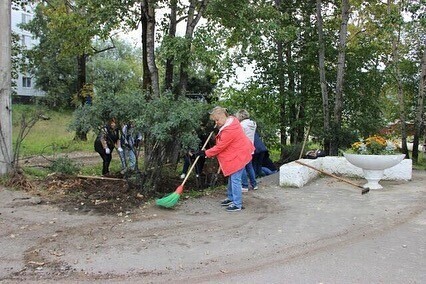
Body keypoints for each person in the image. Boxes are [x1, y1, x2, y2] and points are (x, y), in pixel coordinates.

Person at [196, 106, 254, 212]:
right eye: (215, 121)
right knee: (232, 177)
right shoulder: (232, 121)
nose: (216, 122)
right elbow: (222, 134)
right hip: (240, 152)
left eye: (217, 120)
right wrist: (217, 129)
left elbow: (220, 147)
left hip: (239, 155)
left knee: (235, 179)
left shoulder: (229, 130)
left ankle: (237, 204)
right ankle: (231, 198)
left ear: (223, 116)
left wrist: (205, 153)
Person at [235, 109, 257, 192]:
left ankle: (244, 186)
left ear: (240, 116)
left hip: (242, 148)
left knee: (242, 167)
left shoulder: (241, 125)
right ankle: (254, 184)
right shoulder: (253, 124)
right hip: (250, 147)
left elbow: (239, 136)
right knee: (249, 167)